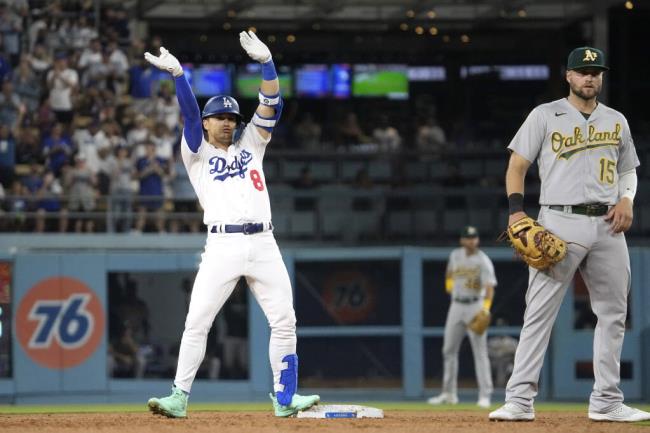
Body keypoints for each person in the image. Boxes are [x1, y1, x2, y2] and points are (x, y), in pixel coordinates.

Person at [143, 31, 320, 418]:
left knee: (285, 320)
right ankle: (179, 396)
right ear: (207, 123)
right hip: (221, 246)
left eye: (231, 118)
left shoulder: (252, 143)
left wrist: (268, 64)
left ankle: (284, 397)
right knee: (197, 322)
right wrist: (178, 76)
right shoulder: (197, 151)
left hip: (263, 243)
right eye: (219, 118)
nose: (227, 123)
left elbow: (272, 103)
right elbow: (189, 114)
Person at [489, 47, 650, 422]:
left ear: (602, 77)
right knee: (540, 313)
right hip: (559, 220)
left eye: (595, 72)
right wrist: (515, 212)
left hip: (609, 224)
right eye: (582, 71)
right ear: (569, 76)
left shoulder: (616, 120)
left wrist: (627, 199)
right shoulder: (545, 115)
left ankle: (607, 402)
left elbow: (629, 170)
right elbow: (517, 165)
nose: (589, 77)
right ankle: (519, 400)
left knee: (614, 314)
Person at [427, 226, 496, 409]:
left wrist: (486, 309)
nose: (472, 240)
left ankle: (485, 395)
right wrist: (449, 285)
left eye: (474, 237)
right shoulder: (455, 255)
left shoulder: (483, 261)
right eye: (468, 238)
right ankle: (449, 394)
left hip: (476, 304)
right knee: (448, 350)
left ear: (477, 240)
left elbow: (489, 287)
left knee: (480, 353)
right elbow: (449, 273)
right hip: (456, 305)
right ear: (462, 240)